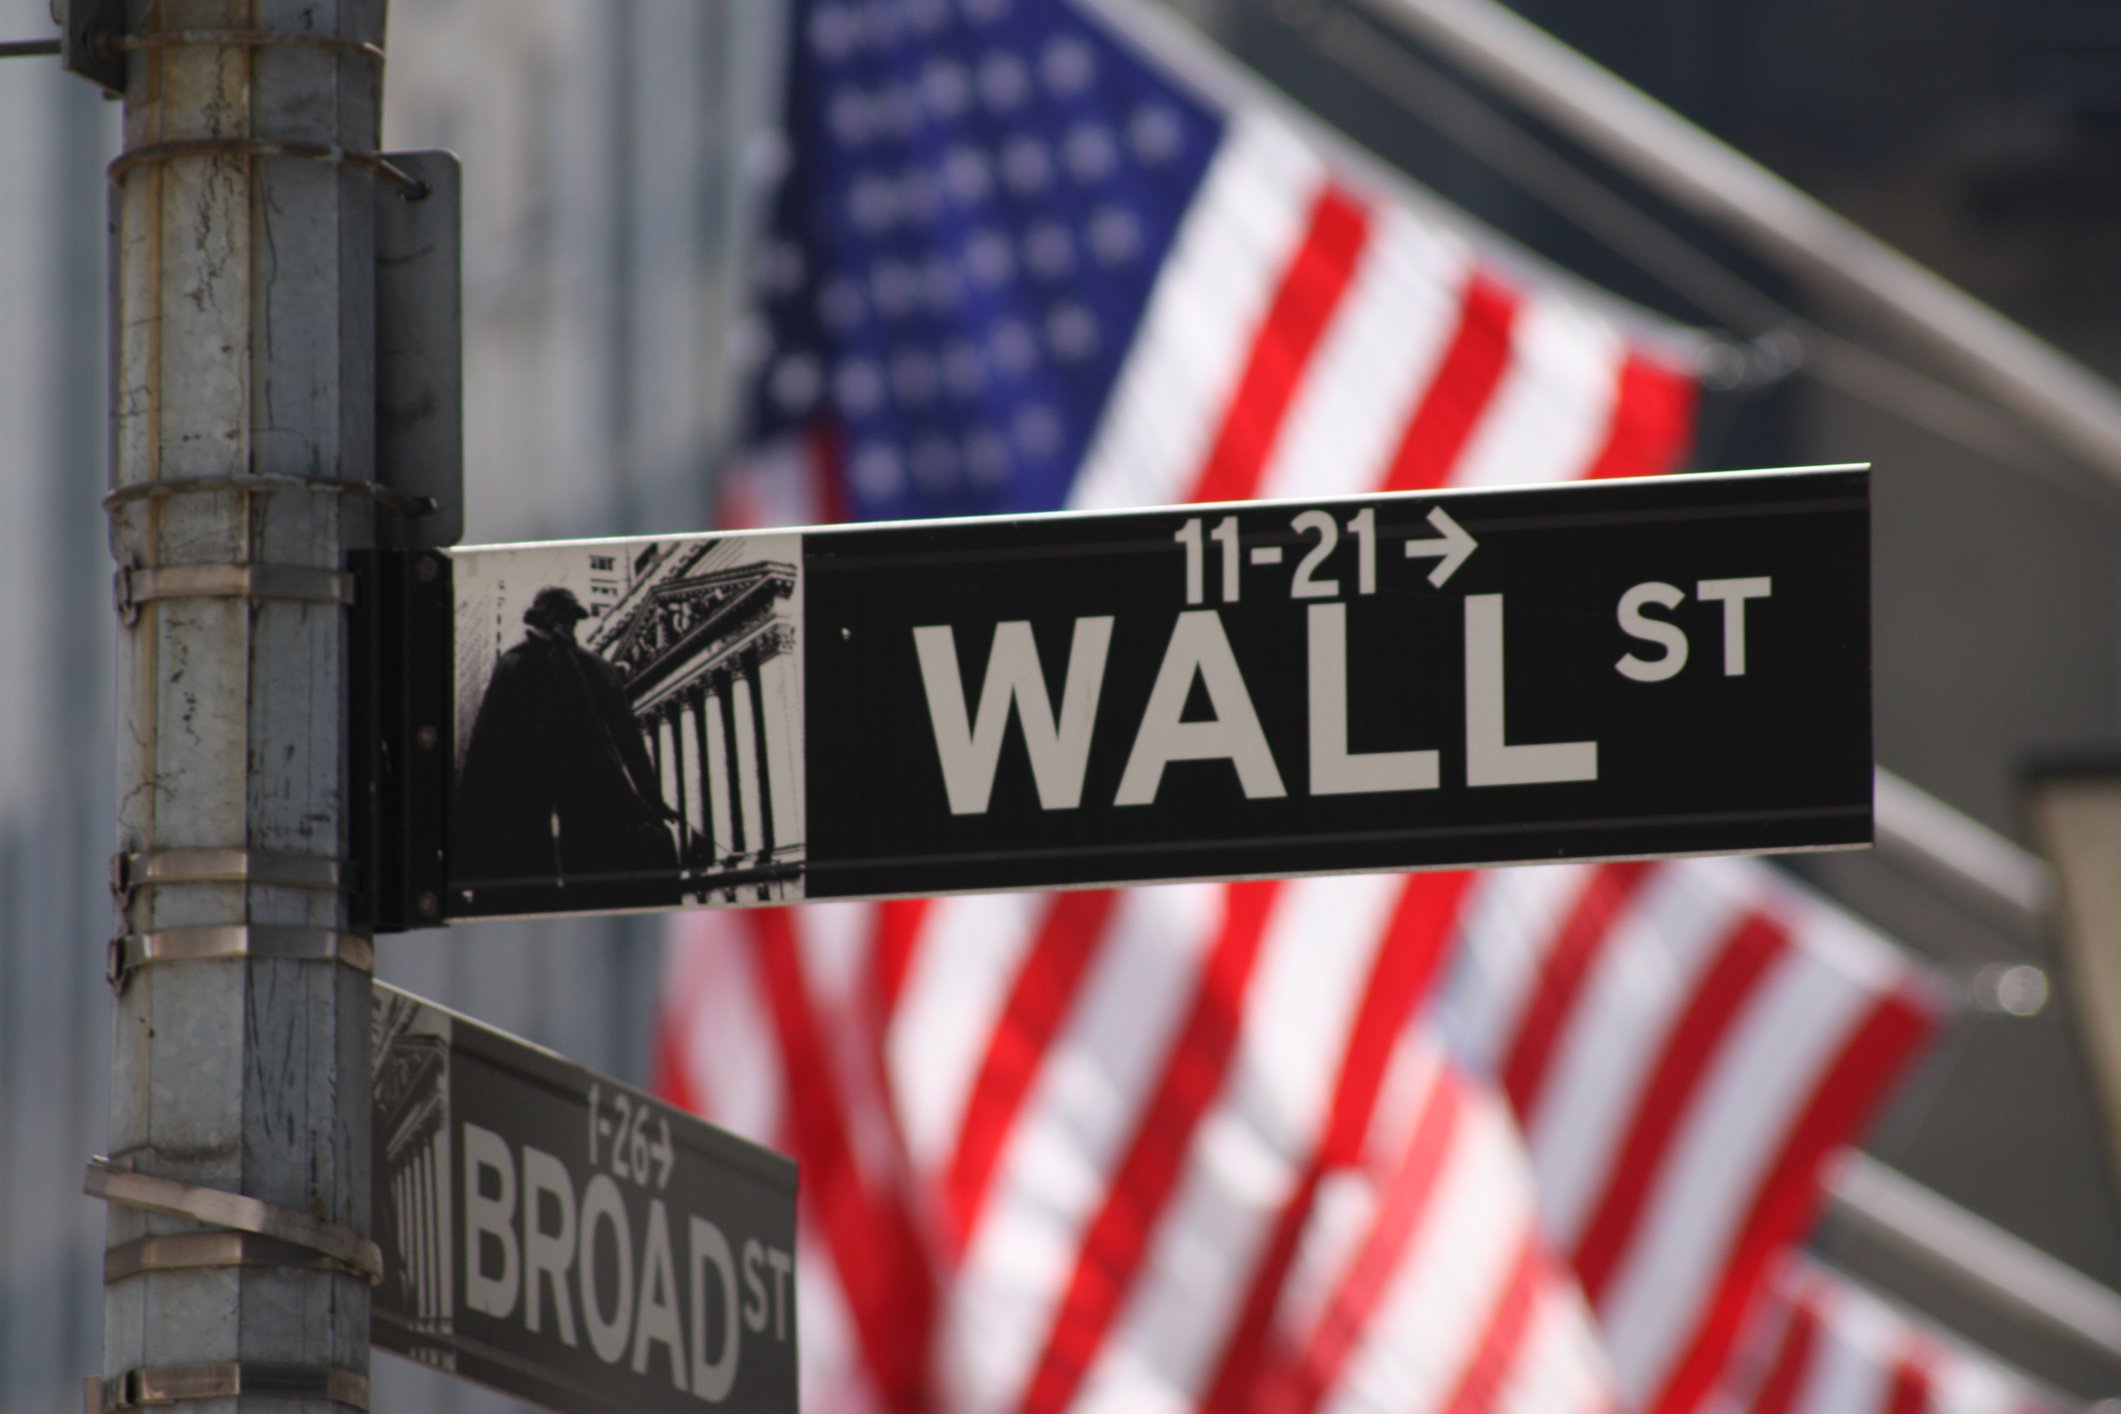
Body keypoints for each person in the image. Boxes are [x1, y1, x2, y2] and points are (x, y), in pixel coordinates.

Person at [453, 586, 679, 897]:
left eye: (571, 620)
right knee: (531, 878)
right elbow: (486, 744)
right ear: (543, 620)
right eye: (560, 618)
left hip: (586, 791)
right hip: (527, 795)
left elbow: (628, 739)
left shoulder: (596, 669)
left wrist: (652, 799)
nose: (566, 627)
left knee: (594, 875)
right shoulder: (514, 664)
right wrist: (470, 815)